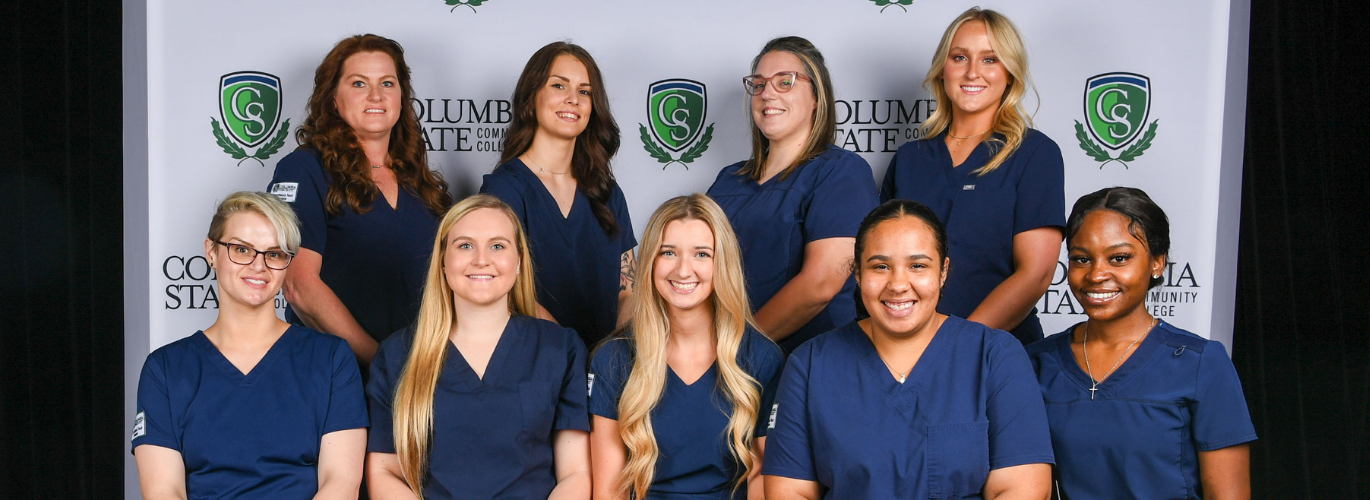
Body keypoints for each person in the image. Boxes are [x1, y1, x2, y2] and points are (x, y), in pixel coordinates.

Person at [763, 200, 1053, 500]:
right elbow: (790, 491)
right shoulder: (810, 364)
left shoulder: (996, 356)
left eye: (918, 265)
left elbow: (1022, 489)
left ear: (943, 271)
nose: (898, 284)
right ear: (858, 274)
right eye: (880, 266)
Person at [133, 191, 368, 499]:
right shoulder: (165, 369)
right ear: (211, 252)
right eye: (242, 249)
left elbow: (341, 483)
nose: (259, 266)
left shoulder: (331, 359)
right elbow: (163, 491)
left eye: (274, 253)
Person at [1026, 187, 1256, 499]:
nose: (1096, 274)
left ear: (1158, 263)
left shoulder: (1201, 362)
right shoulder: (1035, 363)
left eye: (1119, 258)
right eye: (1082, 259)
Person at [365, 194, 590, 500]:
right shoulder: (397, 355)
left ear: (519, 261)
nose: (481, 259)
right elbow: (384, 472)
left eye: (498, 245)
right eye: (465, 245)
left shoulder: (560, 349)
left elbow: (575, 474)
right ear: (443, 261)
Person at [880, 7, 1064, 345]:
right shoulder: (910, 159)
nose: (972, 72)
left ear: (1010, 73)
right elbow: (881, 262)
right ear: (942, 69)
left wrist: (953, 345)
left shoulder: (1035, 154)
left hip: (997, 350)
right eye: (960, 57)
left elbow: (1035, 274)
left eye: (990, 59)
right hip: (905, 351)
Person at [268, 34, 453, 365]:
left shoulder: (421, 182)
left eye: (387, 83)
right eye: (358, 83)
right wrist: (382, 363)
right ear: (333, 99)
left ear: (401, 97)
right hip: (336, 376)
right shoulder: (303, 170)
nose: (375, 95)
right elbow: (299, 286)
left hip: (418, 377)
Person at [589, 194, 785, 500]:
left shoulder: (760, 358)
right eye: (668, 252)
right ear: (651, 261)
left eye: (701, 254)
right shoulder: (612, 359)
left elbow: (763, 483)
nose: (683, 270)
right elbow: (608, 491)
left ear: (723, 263)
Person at [706, 36, 879, 353]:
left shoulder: (842, 172)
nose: (767, 93)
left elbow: (821, 285)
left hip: (805, 364)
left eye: (785, 82)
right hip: (721, 364)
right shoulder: (728, 180)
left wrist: (737, 351)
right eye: (758, 84)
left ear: (816, 96)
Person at [480, 41, 636, 349]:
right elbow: (506, 291)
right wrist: (570, 354)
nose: (572, 100)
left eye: (584, 91)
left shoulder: (607, 192)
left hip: (602, 373)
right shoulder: (503, 190)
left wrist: (613, 355)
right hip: (536, 366)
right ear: (532, 96)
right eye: (559, 86)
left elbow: (628, 290)